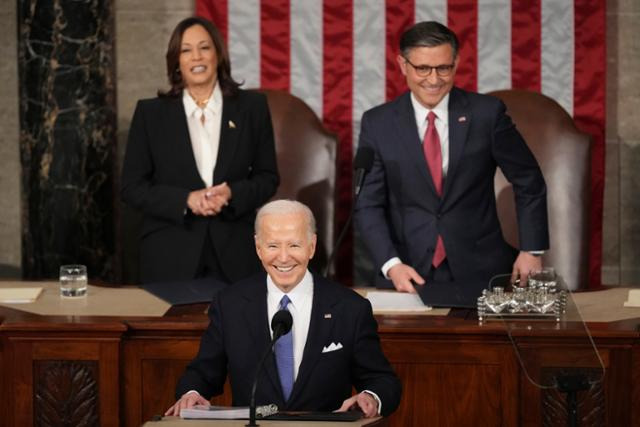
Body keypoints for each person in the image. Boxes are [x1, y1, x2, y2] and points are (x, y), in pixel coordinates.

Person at [354, 21, 549, 293]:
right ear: (402, 65)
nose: (433, 80)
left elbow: (529, 179)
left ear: (455, 63)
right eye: (423, 68)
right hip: (406, 272)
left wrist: (532, 249)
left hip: (482, 270)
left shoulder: (486, 115)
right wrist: (391, 264)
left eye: (443, 68)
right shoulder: (378, 123)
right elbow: (367, 203)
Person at [165, 200, 402, 418]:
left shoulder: (350, 308)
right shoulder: (230, 304)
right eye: (272, 245)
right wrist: (192, 392)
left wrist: (371, 396)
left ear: (312, 246)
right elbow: (203, 372)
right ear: (258, 248)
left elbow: (381, 379)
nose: (284, 257)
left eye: (294, 245)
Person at [121, 17, 279, 284]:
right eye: (186, 50)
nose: (197, 56)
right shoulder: (150, 114)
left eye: (204, 47)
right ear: (176, 62)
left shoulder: (252, 108)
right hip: (169, 250)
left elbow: (268, 177)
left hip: (236, 250)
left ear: (218, 54)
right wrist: (185, 200)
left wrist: (231, 193)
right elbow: (132, 187)